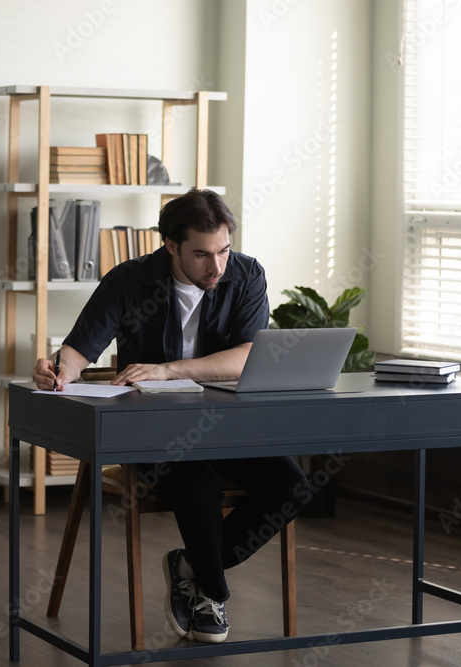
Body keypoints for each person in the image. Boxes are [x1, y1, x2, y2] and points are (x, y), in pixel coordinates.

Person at [32, 188, 311, 644]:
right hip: (153, 434)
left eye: (223, 250)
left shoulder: (246, 274)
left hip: (228, 428)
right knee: (198, 486)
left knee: (292, 486)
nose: (217, 266)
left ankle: (190, 566)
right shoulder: (129, 280)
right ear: (171, 246)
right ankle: (212, 594)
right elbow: (80, 349)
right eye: (202, 254)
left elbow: (247, 356)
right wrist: (58, 370)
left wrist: (168, 369)